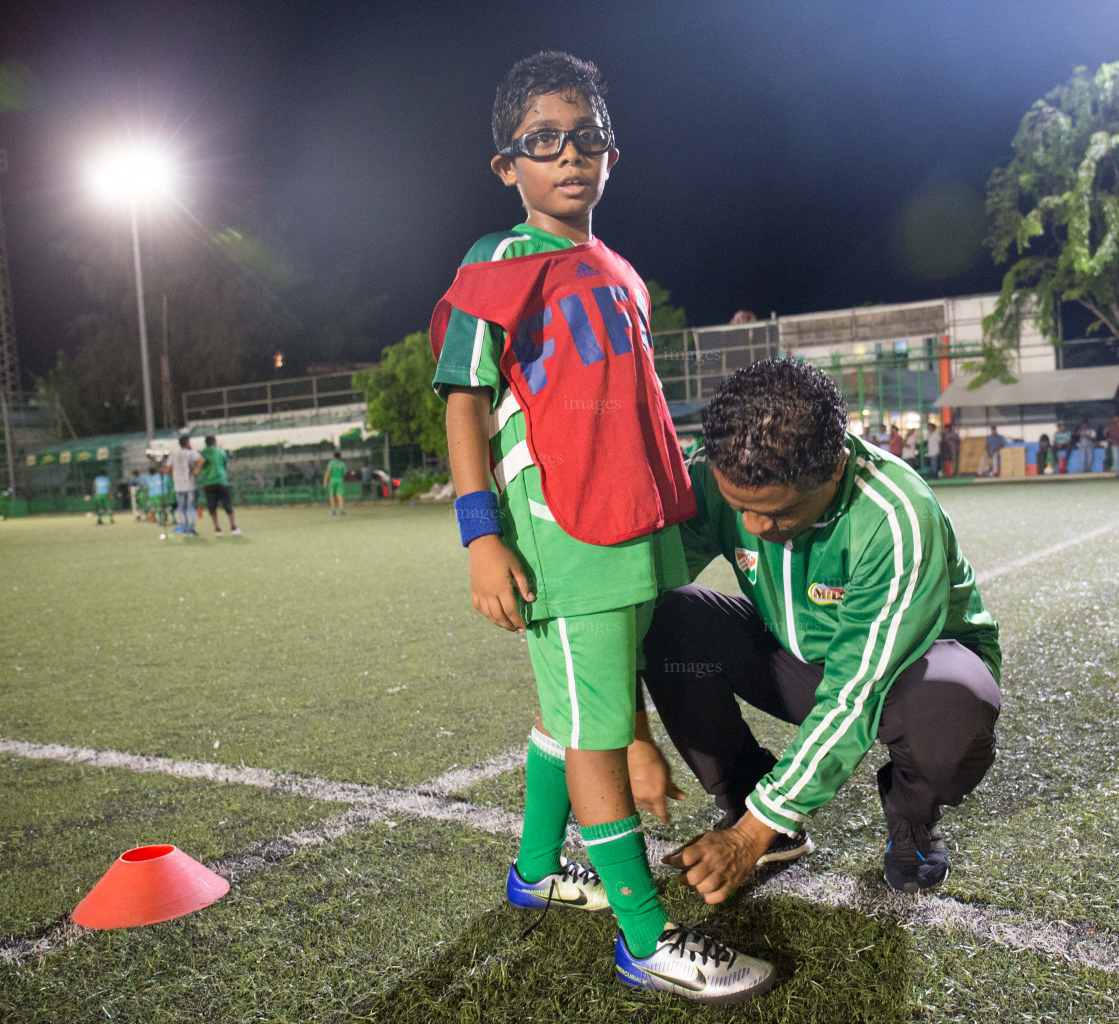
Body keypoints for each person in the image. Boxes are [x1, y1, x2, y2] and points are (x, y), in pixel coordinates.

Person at [430, 52, 772, 1003]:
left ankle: (538, 868)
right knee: (597, 733)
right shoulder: (497, 261)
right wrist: (479, 534)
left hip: (626, 532)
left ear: (612, 154)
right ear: (509, 164)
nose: (569, 157)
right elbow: (463, 398)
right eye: (545, 141)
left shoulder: (616, 268)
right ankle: (644, 936)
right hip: (563, 536)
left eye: (587, 138)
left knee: (570, 712)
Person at [635, 360, 1001, 904]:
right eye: (741, 509)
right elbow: (632, 596)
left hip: (911, 673)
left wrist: (745, 839)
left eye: (779, 515)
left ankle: (911, 819)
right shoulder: (711, 481)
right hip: (797, 658)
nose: (758, 528)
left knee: (952, 708)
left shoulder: (893, 515)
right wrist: (632, 734)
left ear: (836, 467)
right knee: (669, 617)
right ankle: (747, 792)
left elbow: (858, 690)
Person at [197, 435, 241, 536]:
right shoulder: (221, 452)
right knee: (227, 504)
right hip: (221, 481)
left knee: (212, 506)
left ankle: (217, 528)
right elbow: (224, 465)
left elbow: (200, 466)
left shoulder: (202, 454)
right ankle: (233, 526)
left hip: (208, 483)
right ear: (214, 442)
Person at [165, 434, 203, 536]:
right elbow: (201, 460)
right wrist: (196, 471)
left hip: (178, 484)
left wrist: (172, 475)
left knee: (181, 507)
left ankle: (184, 528)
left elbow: (167, 469)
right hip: (190, 484)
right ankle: (191, 528)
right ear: (188, 443)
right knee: (190, 506)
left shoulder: (173, 455)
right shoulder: (191, 453)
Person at [324, 450, 347, 516]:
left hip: (332, 480)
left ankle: (333, 510)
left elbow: (328, 472)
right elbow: (344, 472)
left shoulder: (331, 463)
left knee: (331, 495)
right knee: (340, 495)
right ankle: (342, 510)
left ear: (334, 456)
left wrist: (325, 480)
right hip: (340, 480)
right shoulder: (342, 463)